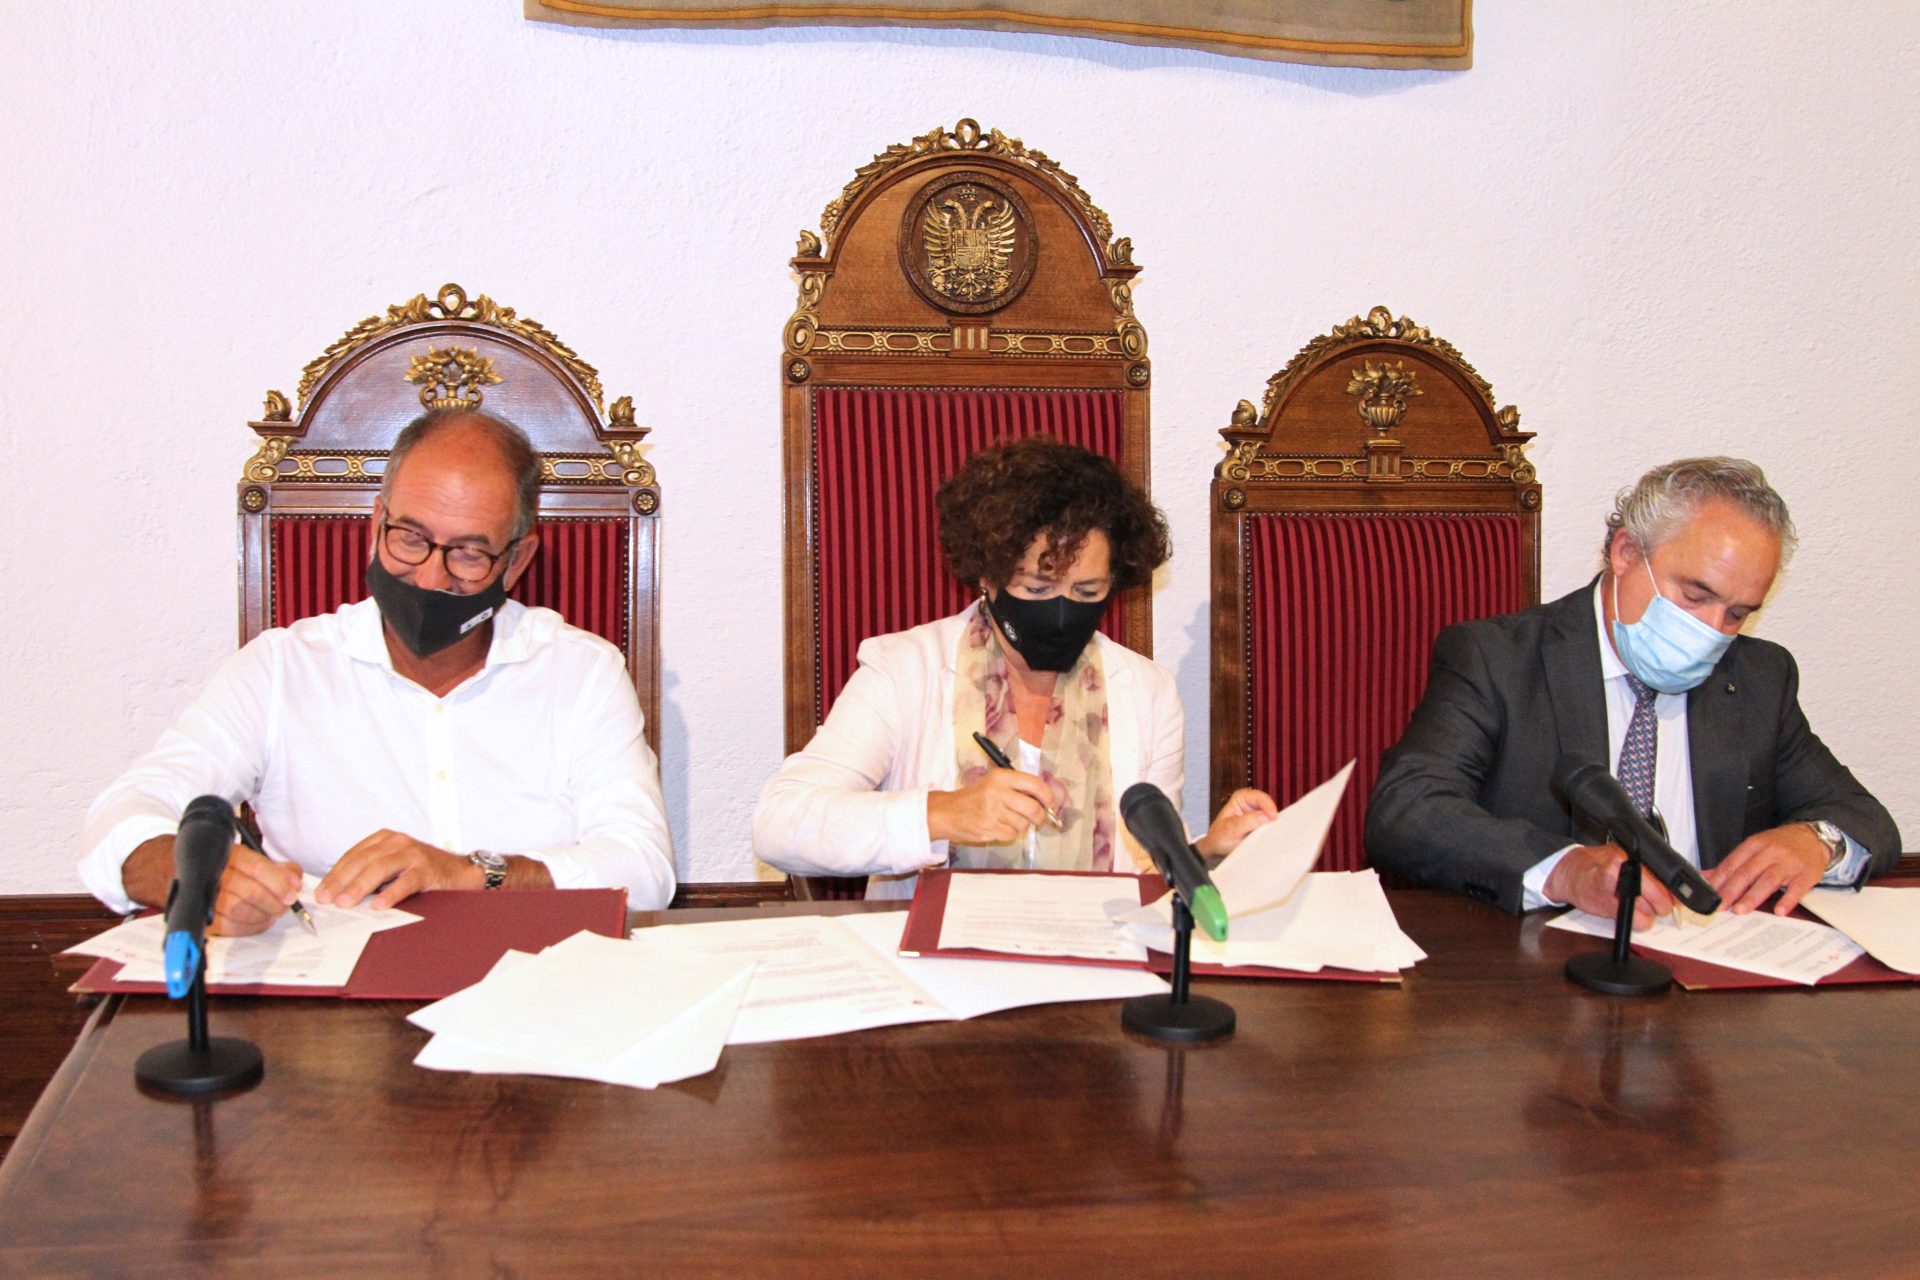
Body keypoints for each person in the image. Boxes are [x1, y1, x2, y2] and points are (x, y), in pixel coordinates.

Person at [80, 409, 675, 930]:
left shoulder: (582, 673)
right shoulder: (282, 668)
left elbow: (644, 872)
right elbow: (125, 814)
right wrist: (192, 874)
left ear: (516, 560)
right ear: (375, 526)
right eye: (410, 539)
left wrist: (473, 873)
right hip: (329, 997)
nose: (431, 577)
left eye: (469, 553)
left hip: (534, 985)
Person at [1366, 456, 1900, 926]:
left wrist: (1818, 841)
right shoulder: (1498, 659)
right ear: (1625, 552)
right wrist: (1563, 869)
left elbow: (1865, 818)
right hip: (1538, 970)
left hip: (1710, 969)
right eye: (1696, 596)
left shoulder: (1761, 677)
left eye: (1737, 614)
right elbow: (1406, 812)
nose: (1713, 630)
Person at [754, 436, 1276, 898]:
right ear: (989, 575)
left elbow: (1146, 872)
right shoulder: (906, 669)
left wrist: (1208, 852)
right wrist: (943, 813)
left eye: (1087, 592)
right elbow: (779, 825)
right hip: (933, 964)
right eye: (1037, 589)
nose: (1062, 610)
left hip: (1093, 960)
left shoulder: (1148, 691)